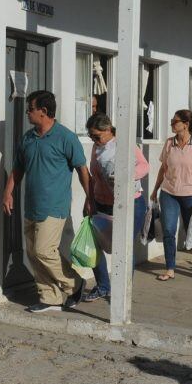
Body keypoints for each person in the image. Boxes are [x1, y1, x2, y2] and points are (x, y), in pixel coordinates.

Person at [2, 90, 91, 313]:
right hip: (31, 205)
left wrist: (90, 198)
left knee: (44, 250)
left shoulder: (66, 137)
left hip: (54, 206)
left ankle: (75, 284)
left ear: (43, 111)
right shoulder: (28, 138)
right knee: (32, 253)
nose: (27, 113)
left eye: (30, 109)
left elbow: (82, 170)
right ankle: (49, 297)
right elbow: (18, 169)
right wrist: (8, 193)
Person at [82, 113, 150, 302]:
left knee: (124, 248)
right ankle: (103, 285)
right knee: (94, 245)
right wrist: (89, 199)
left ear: (109, 130)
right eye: (91, 137)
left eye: (97, 136)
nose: (94, 140)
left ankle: (122, 292)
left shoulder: (124, 144)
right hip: (102, 203)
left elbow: (144, 166)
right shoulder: (97, 148)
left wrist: (124, 175)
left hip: (130, 203)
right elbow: (93, 175)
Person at [151, 109, 192, 278]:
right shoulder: (169, 143)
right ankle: (170, 269)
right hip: (169, 192)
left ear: (186, 125)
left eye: (174, 121)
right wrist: (155, 189)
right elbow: (164, 169)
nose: (172, 123)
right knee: (169, 231)